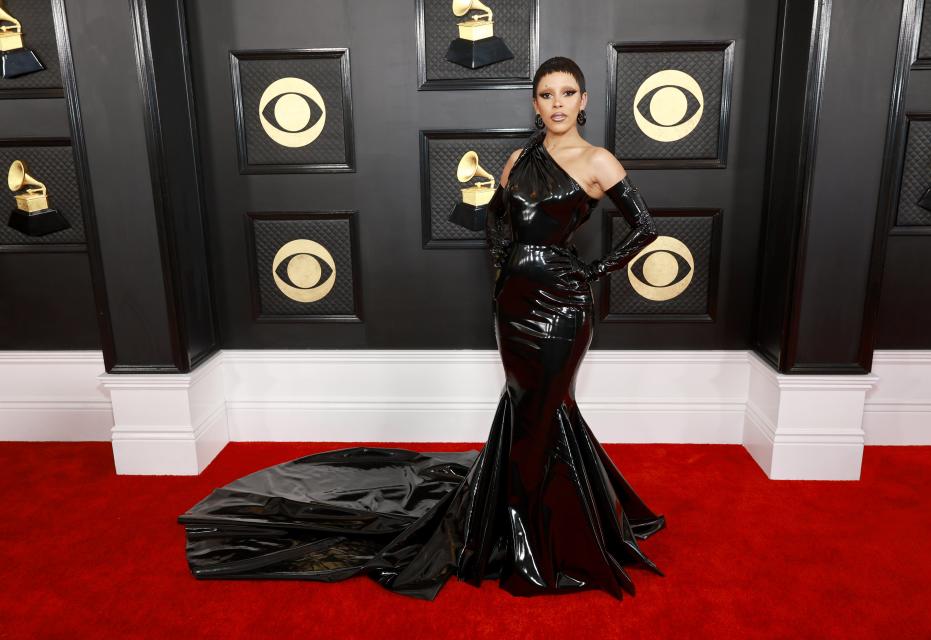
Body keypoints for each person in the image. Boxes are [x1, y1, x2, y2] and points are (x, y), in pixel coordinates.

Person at [177, 56, 665, 601]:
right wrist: (503, 284)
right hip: (514, 307)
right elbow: (498, 229)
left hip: (564, 306)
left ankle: (545, 539)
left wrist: (591, 270)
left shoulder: (598, 161)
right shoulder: (516, 161)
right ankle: (548, 521)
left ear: (584, 101)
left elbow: (645, 227)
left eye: (567, 93)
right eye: (546, 94)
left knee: (544, 413)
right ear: (535, 103)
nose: (557, 103)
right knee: (535, 411)